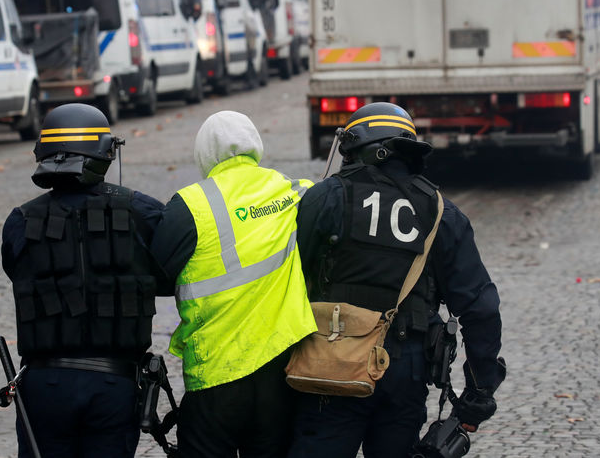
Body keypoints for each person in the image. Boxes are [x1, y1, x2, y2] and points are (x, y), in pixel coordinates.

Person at [288, 102, 505, 458]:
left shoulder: (325, 197)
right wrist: (477, 397)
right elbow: (481, 308)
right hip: (406, 371)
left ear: (358, 149)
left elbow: (288, 285)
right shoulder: (442, 212)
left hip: (330, 365)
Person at [0, 103, 168, 458]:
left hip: (43, 387)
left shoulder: (19, 222)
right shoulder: (143, 212)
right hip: (113, 387)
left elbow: (17, 271)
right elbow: (166, 274)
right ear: (106, 153)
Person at [150, 110, 317, 458]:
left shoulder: (191, 205)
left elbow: (156, 275)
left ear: (204, 155)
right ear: (255, 146)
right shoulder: (295, 191)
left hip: (216, 377)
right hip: (282, 371)